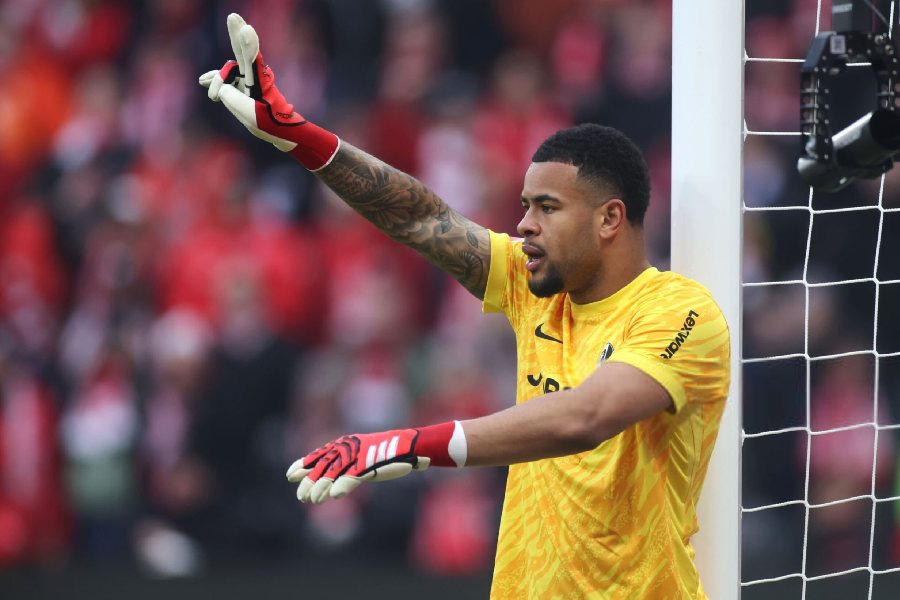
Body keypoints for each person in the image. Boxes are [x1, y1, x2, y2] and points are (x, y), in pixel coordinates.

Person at [200, 13, 731, 599]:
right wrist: (298, 135)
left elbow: (588, 417)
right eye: (525, 206)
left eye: (547, 208)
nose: (524, 224)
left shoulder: (682, 312)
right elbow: (420, 216)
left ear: (610, 219)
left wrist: (412, 445)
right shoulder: (534, 288)